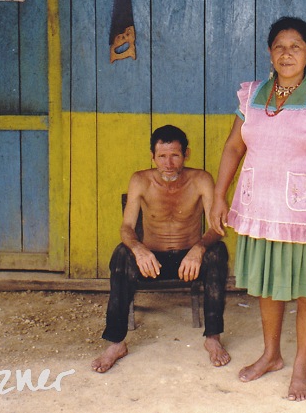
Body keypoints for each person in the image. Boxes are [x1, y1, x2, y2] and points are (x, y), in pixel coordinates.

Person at [210, 17, 306, 401]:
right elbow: (234, 147)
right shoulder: (252, 95)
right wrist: (220, 195)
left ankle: (300, 366)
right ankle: (271, 355)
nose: (287, 53)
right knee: (268, 288)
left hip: (304, 214)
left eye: (296, 47)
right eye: (280, 47)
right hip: (260, 208)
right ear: (270, 53)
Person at [91, 124, 230, 373]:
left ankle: (213, 339)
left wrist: (198, 249)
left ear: (186, 154)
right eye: (162, 156)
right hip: (152, 262)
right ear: (152, 156)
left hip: (189, 261)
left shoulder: (200, 179)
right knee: (122, 254)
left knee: (218, 253)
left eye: (175, 155)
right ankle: (116, 343)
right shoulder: (140, 180)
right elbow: (126, 227)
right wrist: (138, 249)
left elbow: (216, 227)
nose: (168, 163)